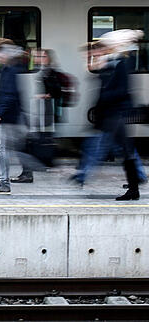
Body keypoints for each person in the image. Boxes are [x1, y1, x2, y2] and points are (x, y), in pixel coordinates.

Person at [72, 30, 143, 200]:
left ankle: (134, 189)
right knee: (126, 151)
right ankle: (134, 188)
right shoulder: (115, 62)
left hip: (117, 113)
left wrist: (105, 95)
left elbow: (120, 90)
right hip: (113, 114)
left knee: (124, 151)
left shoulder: (122, 63)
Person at [0, 41, 46, 195]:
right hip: (11, 116)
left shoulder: (9, 71)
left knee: (1, 150)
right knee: (7, 149)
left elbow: (9, 95)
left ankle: (4, 183)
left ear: (5, 55)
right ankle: (31, 168)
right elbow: (2, 93)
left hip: (8, 118)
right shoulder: (7, 70)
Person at [11, 48, 63, 183]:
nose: (39, 58)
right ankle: (29, 172)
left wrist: (44, 96)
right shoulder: (37, 70)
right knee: (28, 142)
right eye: (37, 56)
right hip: (35, 113)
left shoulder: (49, 72)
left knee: (29, 143)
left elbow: (57, 91)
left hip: (43, 114)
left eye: (42, 56)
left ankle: (30, 172)